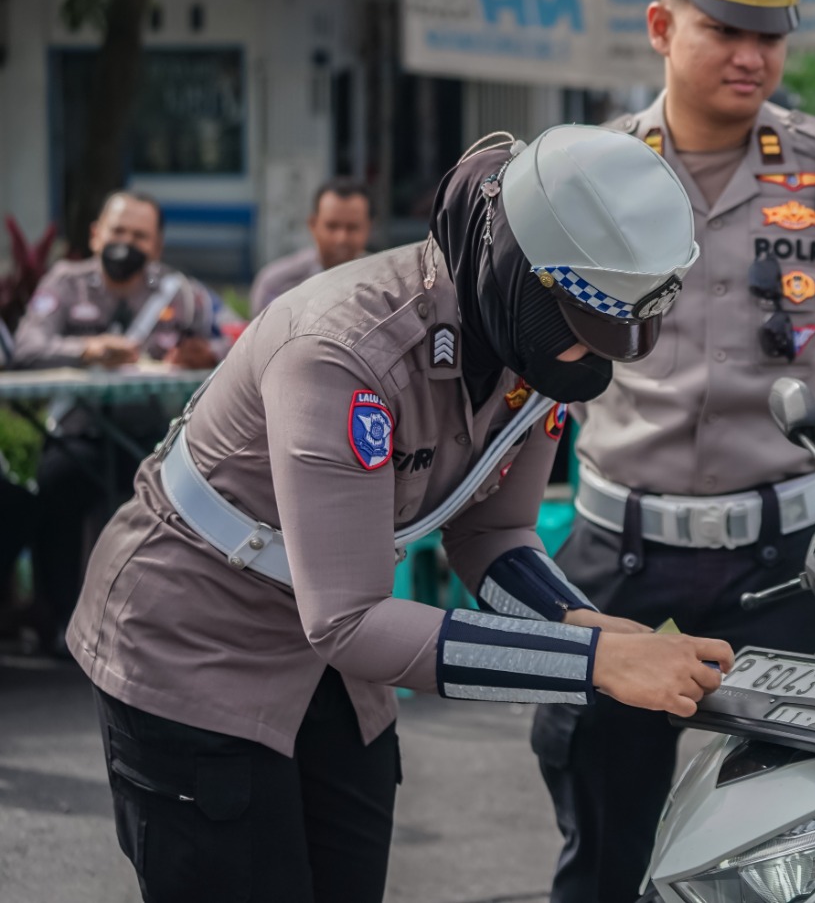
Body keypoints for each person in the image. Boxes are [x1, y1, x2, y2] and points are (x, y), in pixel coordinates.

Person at [67, 126, 734, 903]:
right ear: (519, 274)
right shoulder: (343, 350)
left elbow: (490, 533)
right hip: (197, 640)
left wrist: (584, 626)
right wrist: (590, 668)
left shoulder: (531, 342)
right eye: (590, 328)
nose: (602, 357)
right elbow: (348, 620)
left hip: (337, 667)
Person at [532, 0, 815, 903]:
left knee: (786, 843)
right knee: (604, 834)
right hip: (624, 557)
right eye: (725, 29)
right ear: (663, 29)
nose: (752, 55)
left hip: (781, 569)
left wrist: (788, 452)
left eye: (770, 34)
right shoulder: (590, 172)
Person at [12, 191, 218, 652]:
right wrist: (87, 350)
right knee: (53, 485)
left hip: (154, 440)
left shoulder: (181, 294)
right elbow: (25, 348)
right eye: (118, 232)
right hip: (75, 436)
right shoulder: (65, 282)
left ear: (158, 245)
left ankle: (163, 626)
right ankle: (62, 619)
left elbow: (229, 346)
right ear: (96, 234)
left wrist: (204, 354)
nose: (126, 243)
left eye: (139, 236)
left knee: (192, 493)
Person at [250, 179, 372, 315]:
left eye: (352, 227)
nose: (341, 238)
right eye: (332, 226)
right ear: (313, 225)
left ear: (368, 228)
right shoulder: (276, 285)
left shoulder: (383, 285)